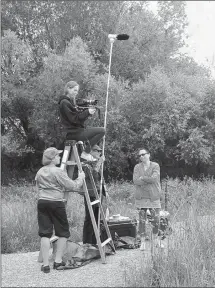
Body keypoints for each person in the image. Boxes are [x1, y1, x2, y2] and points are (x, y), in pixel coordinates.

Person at [35, 147, 85, 273]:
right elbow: (72, 186)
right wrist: (81, 177)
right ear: (52, 158)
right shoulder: (58, 171)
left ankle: (45, 265)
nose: (59, 157)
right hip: (56, 203)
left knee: (45, 234)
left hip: (42, 202)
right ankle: (57, 261)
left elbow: (37, 188)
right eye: (57, 156)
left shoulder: (40, 171)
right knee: (63, 233)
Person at [58, 80, 105, 162]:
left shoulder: (69, 102)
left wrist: (87, 113)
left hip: (74, 132)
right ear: (68, 89)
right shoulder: (65, 103)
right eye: (74, 90)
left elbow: (78, 119)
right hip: (73, 133)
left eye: (77, 91)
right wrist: (87, 112)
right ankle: (86, 153)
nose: (76, 93)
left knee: (95, 132)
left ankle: (89, 151)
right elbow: (74, 119)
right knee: (102, 131)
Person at [133, 148, 163, 251]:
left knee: (156, 219)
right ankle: (142, 242)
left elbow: (154, 179)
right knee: (142, 220)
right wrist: (147, 179)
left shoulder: (155, 165)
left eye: (143, 154)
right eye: (139, 155)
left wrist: (143, 178)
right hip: (141, 197)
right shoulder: (137, 167)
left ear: (149, 155)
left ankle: (156, 240)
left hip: (153, 196)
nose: (141, 157)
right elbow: (136, 181)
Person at [82, 144, 108, 245]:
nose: (99, 153)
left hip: (98, 193)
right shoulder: (85, 163)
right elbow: (92, 175)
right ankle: (87, 243)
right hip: (90, 193)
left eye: (100, 151)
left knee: (97, 218)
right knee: (89, 218)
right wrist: (100, 162)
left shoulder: (96, 163)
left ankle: (94, 241)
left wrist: (105, 192)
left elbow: (101, 178)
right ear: (91, 151)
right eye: (97, 151)